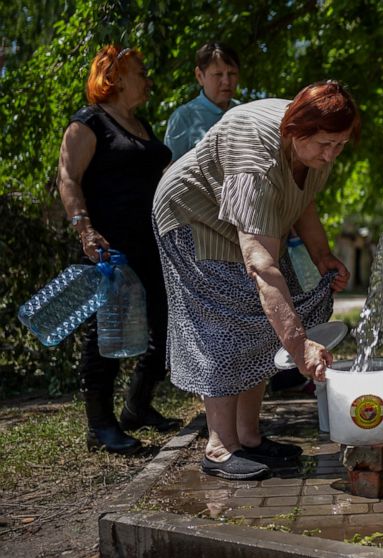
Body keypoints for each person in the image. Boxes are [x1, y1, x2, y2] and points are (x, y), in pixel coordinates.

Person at [153, 81, 355, 480]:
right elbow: (262, 268)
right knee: (226, 324)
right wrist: (299, 346)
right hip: (193, 217)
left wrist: (321, 254)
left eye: (340, 145)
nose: (332, 154)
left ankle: (248, 437)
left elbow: (301, 198)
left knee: (265, 323)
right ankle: (219, 447)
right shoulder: (256, 159)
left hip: (246, 224)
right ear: (296, 132)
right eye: (325, 145)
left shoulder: (315, 143)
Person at [56, 44, 180, 455]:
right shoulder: (88, 122)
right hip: (110, 249)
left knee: (165, 327)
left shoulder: (140, 124)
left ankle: (137, 406)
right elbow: (68, 178)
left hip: (152, 244)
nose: (148, 79)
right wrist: (85, 230)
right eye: (140, 71)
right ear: (115, 75)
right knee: (104, 335)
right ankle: (100, 426)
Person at [162, 42, 240, 161]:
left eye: (232, 74)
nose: (226, 81)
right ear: (199, 76)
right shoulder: (184, 118)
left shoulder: (246, 112)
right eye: (218, 74)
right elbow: (171, 169)